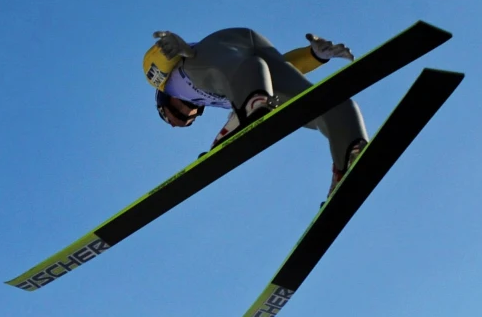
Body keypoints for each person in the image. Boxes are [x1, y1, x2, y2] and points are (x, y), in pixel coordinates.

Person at [143, 28, 368, 196]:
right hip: (252, 58)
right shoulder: (221, 95)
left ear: (164, 102)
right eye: (188, 119)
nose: (181, 120)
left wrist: (171, 50)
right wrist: (314, 56)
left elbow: (153, 64)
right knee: (312, 106)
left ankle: (254, 105)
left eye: (173, 117)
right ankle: (350, 149)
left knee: (234, 80)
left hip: (216, 50)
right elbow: (275, 73)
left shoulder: (171, 84)